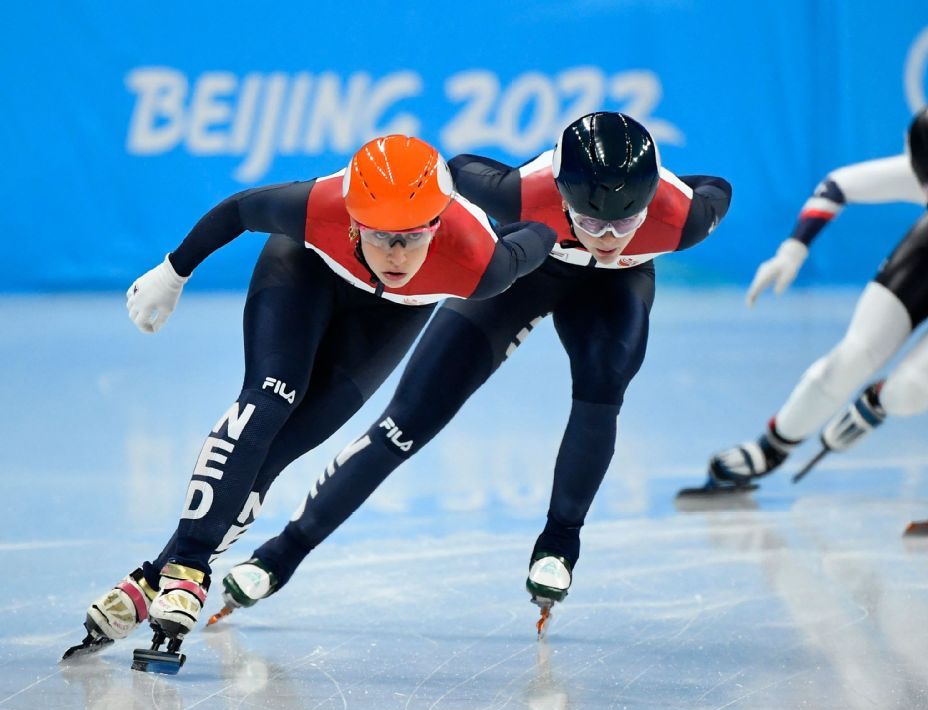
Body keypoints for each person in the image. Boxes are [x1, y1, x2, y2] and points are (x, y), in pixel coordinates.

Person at [211, 112, 731, 632]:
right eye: (591, 222)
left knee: (603, 384)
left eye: (626, 222)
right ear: (560, 194)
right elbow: (455, 170)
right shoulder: (520, 194)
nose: (608, 239)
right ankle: (280, 554)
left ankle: (559, 542)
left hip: (615, 290)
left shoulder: (684, 216)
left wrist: (665, 188)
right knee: (405, 423)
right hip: (524, 271)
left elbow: (717, 186)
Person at [65, 135, 556, 668]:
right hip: (304, 273)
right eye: (381, 236)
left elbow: (538, 234)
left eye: (413, 238)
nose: (396, 255)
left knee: (278, 452)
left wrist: (565, 222)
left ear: (437, 225)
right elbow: (238, 210)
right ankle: (187, 567)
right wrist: (173, 272)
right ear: (352, 222)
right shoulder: (321, 204)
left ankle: (152, 580)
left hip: (389, 321)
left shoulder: (481, 263)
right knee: (269, 399)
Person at [680, 99, 928, 497]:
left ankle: (879, 402)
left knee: (910, 392)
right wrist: (793, 249)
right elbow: (837, 185)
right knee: (850, 359)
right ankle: (769, 449)